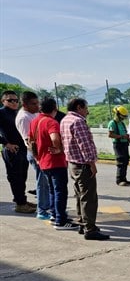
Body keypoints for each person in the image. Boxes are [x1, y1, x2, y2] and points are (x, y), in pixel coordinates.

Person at [61, 98, 109, 240]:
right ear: (79, 107)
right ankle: (90, 229)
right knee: (89, 197)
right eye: (86, 108)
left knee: (79, 195)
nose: (87, 111)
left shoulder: (65, 120)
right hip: (83, 164)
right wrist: (92, 164)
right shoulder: (78, 121)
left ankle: (83, 223)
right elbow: (85, 145)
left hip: (72, 163)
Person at [29, 97, 77, 231]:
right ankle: (60, 220)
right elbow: (55, 138)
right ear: (55, 108)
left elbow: (30, 141)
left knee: (52, 190)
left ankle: (55, 215)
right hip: (56, 161)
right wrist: (60, 148)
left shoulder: (35, 121)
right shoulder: (51, 122)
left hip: (43, 161)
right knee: (60, 191)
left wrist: (37, 156)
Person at [16, 91, 52, 219]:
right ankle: (42, 211)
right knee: (42, 182)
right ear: (25, 104)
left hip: (42, 153)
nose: (37, 106)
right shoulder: (24, 118)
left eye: (38, 103)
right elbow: (29, 141)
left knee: (46, 182)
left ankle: (47, 207)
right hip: (36, 154)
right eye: (34, 104)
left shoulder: (34, 114)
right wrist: (38, 158)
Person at [0, 90, 36, 214]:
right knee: (15, 177)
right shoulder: (2, 113)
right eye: (10, 100)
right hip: (12, 150)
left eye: (16, 100)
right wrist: (6, 143)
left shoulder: (18, 113)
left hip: (23, 149)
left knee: (23, 176)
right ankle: (20, 204)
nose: (14, 102)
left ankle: (22, 200)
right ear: (3, 101)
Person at [108, 105, 130, 186]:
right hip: (118, 144)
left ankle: (124, 178)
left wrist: (127, 137)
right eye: (122, 116)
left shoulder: (122, 123)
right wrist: (121, 136)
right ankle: (119, 179)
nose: (123, 118)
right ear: (117, 114)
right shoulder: (112, 123)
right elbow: (110, 135)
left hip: (124, 144)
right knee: (121, 161)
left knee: (126, 160)